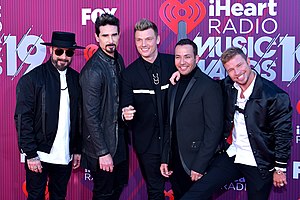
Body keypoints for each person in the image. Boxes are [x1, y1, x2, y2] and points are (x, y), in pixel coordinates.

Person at [181, 47, 293, 200]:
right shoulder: (228, 86)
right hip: (233, 155)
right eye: (231, 70)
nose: (237, 73)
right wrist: (183, 76)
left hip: (259, 161)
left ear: (248, 61)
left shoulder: (275, 96)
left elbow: (283, 134)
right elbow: (206, 85)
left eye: (239, 65)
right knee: (197, 193)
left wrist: (280, 169)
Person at [14, 31, 83, 200]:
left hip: (64, 155)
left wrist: (77, 149)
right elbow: (23, 119)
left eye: (69, 53)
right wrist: (30, 154)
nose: (64, 57)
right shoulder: (32, 79)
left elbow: (79, 117)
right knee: (36, 196)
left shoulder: (76, 79)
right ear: (51, 50)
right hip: (39, 154)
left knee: (59, 196)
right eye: (59, 51)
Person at [160, 38, 223, 199]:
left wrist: (200, 165)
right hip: (175, 164)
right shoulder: (173, 83)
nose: (182, 62)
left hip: (195, 164)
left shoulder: (208, 86)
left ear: (197, 58)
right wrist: (165, 158)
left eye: (187, 57)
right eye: (178, 57)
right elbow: (169, 124)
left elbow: (214, 130)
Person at [121, 19, 176, 199]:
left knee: (185, 188)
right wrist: (125, 114)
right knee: (155, 191)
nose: (144, 44)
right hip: (147, 143)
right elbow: (125, 106)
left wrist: (184, 74)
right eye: (139, 40)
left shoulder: (174, 64)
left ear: (158, 39)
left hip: (176, 141)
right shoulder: (129, 74)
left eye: (148, 39)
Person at [80, 13, 128, 200]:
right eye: (105, 36)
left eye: (114, 35)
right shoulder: (93, 71)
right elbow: (90, 115)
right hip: (102, 145)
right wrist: (103, 152)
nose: (111, 40)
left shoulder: (118, 59)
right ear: (96, 37)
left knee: (117, 187)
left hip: (119, 140)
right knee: (104, 193)